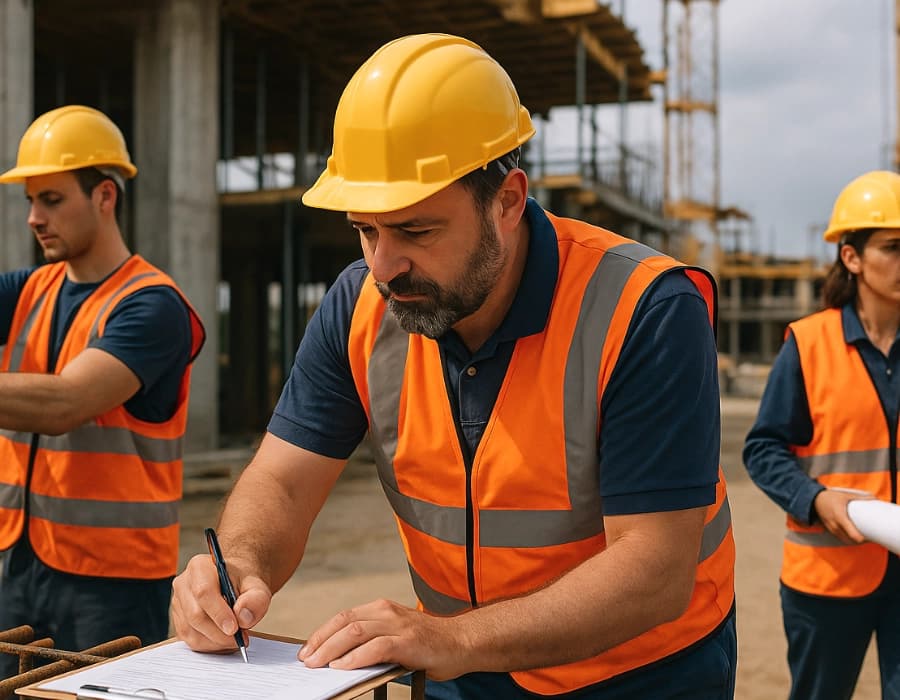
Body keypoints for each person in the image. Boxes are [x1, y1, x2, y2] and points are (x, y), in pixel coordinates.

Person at [172, 34, 735, 699]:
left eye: (415, 231)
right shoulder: (358, 307)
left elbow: (654, 569)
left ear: (507, 200)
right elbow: (283, 483)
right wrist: (239, 564)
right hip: (462, 674)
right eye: (366, 230)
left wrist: (457, 637)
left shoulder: (643, 308)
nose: (383, 266)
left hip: (641, 676)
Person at [0, 105, 205, 674]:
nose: (34, 218)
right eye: (30, 201)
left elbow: (66, 403)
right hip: (20, 565)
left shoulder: (154, 306)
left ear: (105, 196)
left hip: (111, 584)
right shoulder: (28, 291)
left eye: (53, 199)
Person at [743, 170, 900, 700]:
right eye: (893, 247)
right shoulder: (809, 345)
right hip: (828, 577)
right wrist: (815, 498)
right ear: (851, 258)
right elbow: (763, 448)